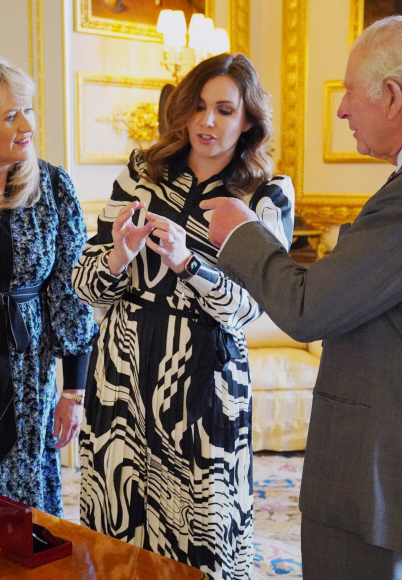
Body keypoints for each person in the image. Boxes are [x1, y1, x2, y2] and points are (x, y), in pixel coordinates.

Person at [201, 15, 402, 580]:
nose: (343, 109)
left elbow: (308, 308)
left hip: (382, 491)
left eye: (350, 91)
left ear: (393, 96)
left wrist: (241, 231)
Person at [72, 52, 294, 579]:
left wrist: (188, 263)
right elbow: (85, 286)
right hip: (120, 375)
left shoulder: (266, 195)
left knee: (202, 536)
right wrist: (119, 256)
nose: (207, 122)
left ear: (247, 121)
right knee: (115, 523)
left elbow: (250, 308)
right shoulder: (140, 175)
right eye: (197, 107)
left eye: (224, 110)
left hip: (204, 383)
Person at [0, 54, 97, 517]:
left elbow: (72, 295)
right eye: (10, 115)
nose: (26, 124)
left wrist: (72, 393)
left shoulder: (53, 187)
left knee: (26, 508)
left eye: (28, 109)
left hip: (29, 377)